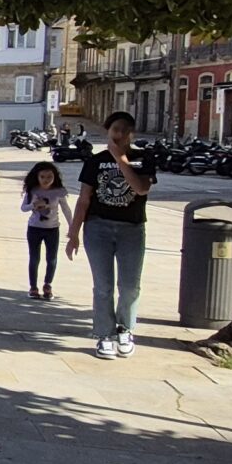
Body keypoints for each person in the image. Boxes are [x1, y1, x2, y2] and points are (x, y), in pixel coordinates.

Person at [72, 109, 157, 358]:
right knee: (103, 286)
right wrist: (74, 233)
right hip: (98, 227)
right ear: (108, 132)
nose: (118, 134)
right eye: (114, 130)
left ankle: (125, 329)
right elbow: (84, 199)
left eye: (123, 130)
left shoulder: (143, 158)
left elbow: (141, 189)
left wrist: (121, 160)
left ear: (131, 132)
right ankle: (104, 334)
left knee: (130, 286)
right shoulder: (95, 161)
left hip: (132, 228)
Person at [21, 160, 72, 299]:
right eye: (42, 177)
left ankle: (47, 285)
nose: (46, 180)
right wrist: (33, 205)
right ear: (37, 177)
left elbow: (66, 209)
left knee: (52, 259)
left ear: (55, 177)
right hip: (34, 228)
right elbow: (23, 208)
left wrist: (72, 227)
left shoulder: (59, 192)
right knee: (34, 258)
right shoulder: (32, 191)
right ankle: (33, 287)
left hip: (52, 229)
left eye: (49, 177)